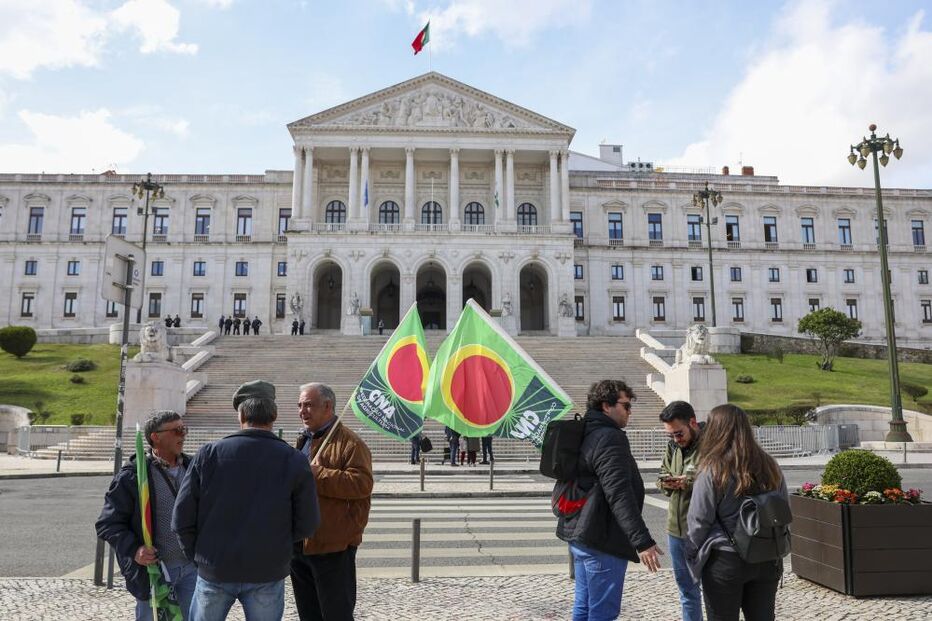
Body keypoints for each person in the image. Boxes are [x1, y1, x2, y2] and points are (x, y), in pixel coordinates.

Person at [172, 381, 320, 621]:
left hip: (215, 566)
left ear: (241, 415)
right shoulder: (293, 459)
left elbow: (181, 518)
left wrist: (199, 557)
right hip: (267, 568)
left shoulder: (208, 454)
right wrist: (277, 547)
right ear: (274, 415)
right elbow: (308, 523)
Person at [556, 379, 662, 621]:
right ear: (606, 405)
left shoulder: (586, 430)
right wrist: (642, 541)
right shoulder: (609, 437)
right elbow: (619, 493)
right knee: (603, 613)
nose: (630, 412)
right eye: (626, 406)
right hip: (601, 538)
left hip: (580, 534)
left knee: (584, 606)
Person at [686, 404, 787, 621]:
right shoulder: (770, 465)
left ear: (715, 430)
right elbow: (783, 507)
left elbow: (699, 520)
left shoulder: (713, 468)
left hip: (725, 557)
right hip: (766, 555)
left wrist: (691, 553)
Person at [95, 411, 197, 620]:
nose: (183, 435)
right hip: (155, 572)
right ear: (155, 437)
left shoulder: (195, 468)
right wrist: (135, 550)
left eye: (184, 429)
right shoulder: (133, 475)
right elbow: (108, 523)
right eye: (177, 430)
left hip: (192, 570)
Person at [292, 382, 374, 621]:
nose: (302, 411)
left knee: (336, 614)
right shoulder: (303, 440)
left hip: (333, 546)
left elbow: (361, 484)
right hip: (300, 545)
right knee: (308, 614)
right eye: (300, 405)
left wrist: (317, 473)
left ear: (327, 406)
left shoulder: (351, 443)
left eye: (309, 405)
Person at [657, 401, 704, 621]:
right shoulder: (673, 447)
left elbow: (720, 478)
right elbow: (662, 474)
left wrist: (690, 480)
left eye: (679, 433)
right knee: (687, 591)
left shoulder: (711, 445)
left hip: (705, 531)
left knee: (715, 591)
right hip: (676, 530)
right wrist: (666, 483)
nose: (676, 439)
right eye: (671, 435)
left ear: (692, 422)